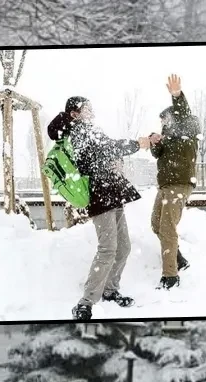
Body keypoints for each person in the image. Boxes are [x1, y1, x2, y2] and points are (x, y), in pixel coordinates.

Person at [46, 96, 154, 321]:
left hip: (113, 191)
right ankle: (86, 302)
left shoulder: (87, 129)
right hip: (100, 194)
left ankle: (110, 290)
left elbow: (106, 151)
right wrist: (137, 144)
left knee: (123, 247)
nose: (91, 112)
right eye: (87, 109)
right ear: (75, 113)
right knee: (108, 248)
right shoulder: (77, 130)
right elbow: (108, 148)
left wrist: (117, 162)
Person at [148, 74, 198, 291]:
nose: (163, 124)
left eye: (165, 120)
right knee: (156, 224)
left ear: (174, 118)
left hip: (179, 184)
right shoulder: (167, 137)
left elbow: (183, 112)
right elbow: (157, 153)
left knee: (167, 228)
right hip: (166, 186)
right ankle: (178, 259)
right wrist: (154, 141)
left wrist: (177, 95)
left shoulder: (186, 129)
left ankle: (170, 276)